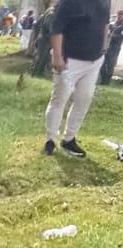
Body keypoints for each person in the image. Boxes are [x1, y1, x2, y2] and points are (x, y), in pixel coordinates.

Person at [43, 0, 110, 157]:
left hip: (94, 60)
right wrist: (57, 56)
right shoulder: (68, 2)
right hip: (69, 60)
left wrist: (104, 48)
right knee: (60, 99)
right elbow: (56, 29)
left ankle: (69, 139)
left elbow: (105, 24)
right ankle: (51, 139)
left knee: (84, 99)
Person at [99, 10, 123, 84]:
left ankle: (107, 81)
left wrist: (111, 35)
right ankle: (103, 78)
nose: (119, 16)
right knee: (102, 62)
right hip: (107, 46)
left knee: (111, 64)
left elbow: (120, 37)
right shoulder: (114, 24)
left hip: (115, 47)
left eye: (121, 15)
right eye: (118, 15)